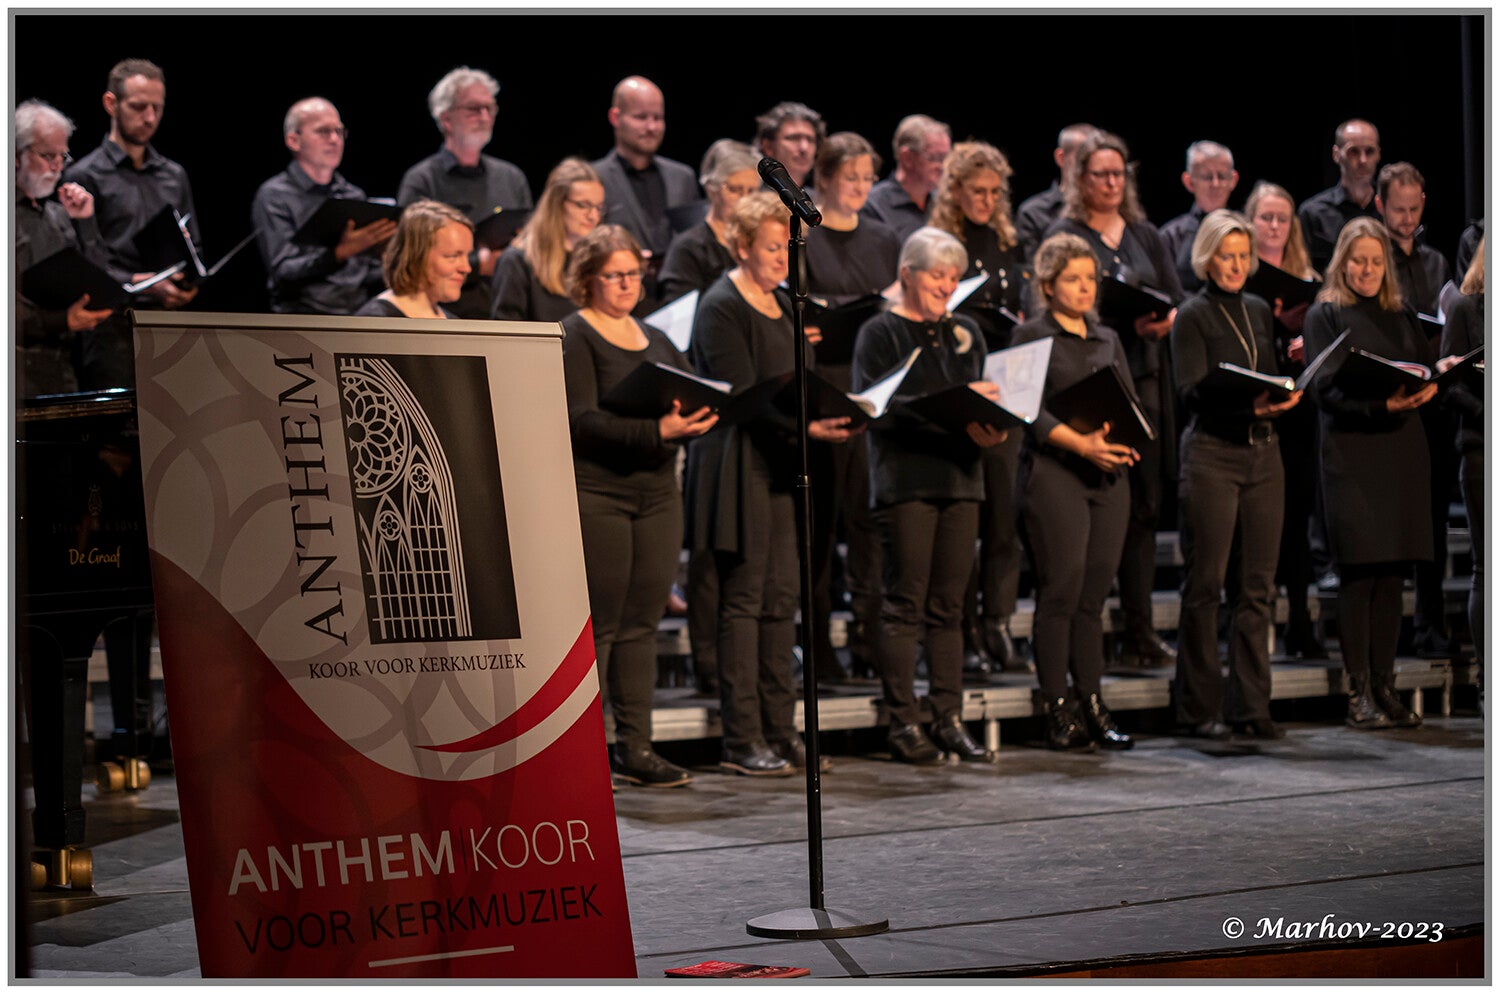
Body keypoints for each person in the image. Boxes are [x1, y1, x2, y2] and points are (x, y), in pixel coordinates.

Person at [683, 191, 859, 776]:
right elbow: (741, 395)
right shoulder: (721, 306)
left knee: (782, 599)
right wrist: (806, 426)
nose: (782, 259)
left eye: (785, 248)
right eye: (769, 249)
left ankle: (782, 731)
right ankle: (743, 738)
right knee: (745, 600)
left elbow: (798, 382)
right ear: (741, 247)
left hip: (783, 460)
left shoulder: (786, 303)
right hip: (739, 461)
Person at [560, 224, 717, 788]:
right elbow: (579, 420)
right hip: (599, 493)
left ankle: (636, 748)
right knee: (601, 626)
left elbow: (689, 390)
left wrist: (696, 416)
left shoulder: (654, 337)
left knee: (642, 626)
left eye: (634, 273)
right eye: (614, 275)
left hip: (657, 495)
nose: (628, 284)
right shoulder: (575, 334)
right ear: (588, 279)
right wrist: (656, 430)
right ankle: (585, 753)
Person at [852, 227, 1007, 764]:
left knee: (950, 607)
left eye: (953, 277)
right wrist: (953, 403)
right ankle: (903, 721)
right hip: (907, 484)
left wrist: (993, 424)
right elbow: (878, 409)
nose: (947, 286)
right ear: (906, 275)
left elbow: (981, 400)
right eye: (937, 276)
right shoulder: (880, 332)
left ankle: (947, 716)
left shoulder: (967, 331)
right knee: (905, 603)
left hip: (961, 480)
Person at [1045, 130, 1184, 669]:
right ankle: (1090, 626)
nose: (1110, 183)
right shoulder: (1066, 233)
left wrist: (1163, 321)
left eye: (1118, 174)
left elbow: (1175, 296)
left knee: (1145, 504)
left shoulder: (1145, 234)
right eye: (1100, 174)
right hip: (1087, 378)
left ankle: (1138, 626)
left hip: (1144, 375)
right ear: (1080, 179)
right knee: (1099, 503)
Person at [1171, 210, 1301, 741]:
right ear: (1207, 258)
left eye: (1244, 257)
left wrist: (1286, 381)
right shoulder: (1192, 315)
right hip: (1213, 456)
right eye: (1227, 256)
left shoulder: (1257, 309)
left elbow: (1263, 374)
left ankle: (1251, 705)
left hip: (1264, 457)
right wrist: (1252, 407)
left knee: (1257, 588)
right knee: (1206, 585)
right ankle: (1198, 708)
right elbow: (1191, 392)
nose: (1236, 265)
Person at [1303, 217, 1435, 729]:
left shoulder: (1400, 311)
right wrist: (1382, 404)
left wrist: (1433, 381)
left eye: (1376, 262)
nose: (1367, 270)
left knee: (1393, 574)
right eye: (1358, 261)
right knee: (1360, 574)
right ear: (1342, 262)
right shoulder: (1325, 314)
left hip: (1402, 450)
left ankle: (1385, 686)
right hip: (1352, 452)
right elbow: (1324, 391)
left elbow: (1423, 364)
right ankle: (1358, 693)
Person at [1011, 232, 1139, 751]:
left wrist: (1129, 439)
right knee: (1061, 589)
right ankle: (1057, 705)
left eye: (1091, 279)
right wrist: (1081, 444)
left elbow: (1126, 398)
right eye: (1073, 279)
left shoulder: (1107, 337)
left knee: (1093, 596)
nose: (1085, 288)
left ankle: (1092, 700)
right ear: (1048, 285)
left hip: (1107, 475)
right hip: (1055, 472)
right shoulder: (1030, 335)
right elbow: (1026, 409)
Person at [927, 141, 1030, 675]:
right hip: (962, 380)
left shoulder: (1009, 241)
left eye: (994, 192)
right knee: (966, 519)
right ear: (955, 191)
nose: (986, 200)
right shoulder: (942, 243)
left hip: (1007, 380)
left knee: (1004, 516)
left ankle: (998, 624)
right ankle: (964, 628)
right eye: (976, 191)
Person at [803, 132, 901, 684]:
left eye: (868, 177)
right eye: (850, 177)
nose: (862, 187)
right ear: (824, 178)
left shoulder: (884, 237)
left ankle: (869, 639)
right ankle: (817, 644)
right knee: (821, 524)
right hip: (823, 383)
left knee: (868, 522)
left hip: (871, 386)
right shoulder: (803, 234)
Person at [63, 58, 197, 389]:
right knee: (119, 421)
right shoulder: (84, 175)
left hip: (169, 324)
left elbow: (193, 245)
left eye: (157, 108)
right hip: (112, 327)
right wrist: (141, 283)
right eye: (138, 107)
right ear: (111, 103)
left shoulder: (173, 174)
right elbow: (80, 261)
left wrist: (187, 283)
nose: (149, 117)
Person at [1375, 162, 1457, 659]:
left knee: (1432, 518)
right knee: (1391, 519)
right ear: (1379, 206)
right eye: (1397, 209)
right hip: (1387, 403)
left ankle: (1430, 621)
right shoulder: (1372, 257)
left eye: (1413, 208)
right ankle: (1391, 629)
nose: (1406, 219)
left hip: (1433, 403)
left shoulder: (1435, 261)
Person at [1243, 181, 1325, 660]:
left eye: (1282, 219)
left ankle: (1298, 618)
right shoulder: (1240, 274)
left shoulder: (1308, 277)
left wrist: (1307, 341)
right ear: (1250, 221)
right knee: (1256, 522)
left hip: (1298, 413)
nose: (1274, 226)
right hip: (1253, 410)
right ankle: (1249, 625)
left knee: (1297, 518)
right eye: (1265, 217)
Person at [396, 66, 534, 319]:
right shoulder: (422, 180)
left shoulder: (511, 177)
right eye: (473, 108)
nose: (484, 116)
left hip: (508, 313)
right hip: (444, 316)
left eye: (489, 108)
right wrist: (479, 264)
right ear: (446, 118)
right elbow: (410, 259)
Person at [251, 97, 394, 315]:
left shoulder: (352, 194)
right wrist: (339, 254)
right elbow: (283, 271)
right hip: (304, 316)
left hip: (359, 313)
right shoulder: (275, 195)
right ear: (293, 140)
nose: (335, 139)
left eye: (339, 131)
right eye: (323, 131)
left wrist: (389, 258)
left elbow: (363, 273)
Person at [15, 99, 113, 397]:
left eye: (63, 156)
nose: (57, 166)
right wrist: (60, 320)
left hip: (63, 370)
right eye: (48, 155)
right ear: (15, 155)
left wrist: (86, 222)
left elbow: (97, 280)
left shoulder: (58, 216)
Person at [591, 76, 701, 262]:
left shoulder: (683, 177)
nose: (651, 127)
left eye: (658, 118)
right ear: (615, 117)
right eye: (640, 117)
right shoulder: (594, 178)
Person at [1438, 238, 1484, 667]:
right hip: (1481, 448)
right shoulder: (1468, 309)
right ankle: (1489, 680)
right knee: (1487, 569)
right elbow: (1449, 385)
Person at [489, 157, 603, 322]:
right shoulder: (517, 261)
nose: (593, 216)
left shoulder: (595, 262)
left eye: (598, 208)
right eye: (583, 205)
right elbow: (507, 329)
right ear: (556, 204)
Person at [657, 139, 759, 303]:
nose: (744, 200)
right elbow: (682, 310)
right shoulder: (689, 249)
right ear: (711, 188)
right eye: (735, 190)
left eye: (752, 191)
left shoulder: (761, 242)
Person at [354, 200, 473, 318]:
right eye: (453, 256)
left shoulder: (452, 322)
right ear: (415, 256)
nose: (466, 268)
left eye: (467, 255)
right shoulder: (376, 321)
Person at [1298, 119, 1382, 273]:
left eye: (1369, 151)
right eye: (1353, 151)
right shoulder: (1313, 213)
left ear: (1378, 154)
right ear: (1336, 154)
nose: (1363, 160)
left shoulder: (1389, 209)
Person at [1160, 140, 1240, 292]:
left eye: (1222, 176)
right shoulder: (1170, 236)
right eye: (1207, 177)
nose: (1215, 184)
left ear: (1233, 180)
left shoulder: (1245, 232)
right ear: (1189, 182)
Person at [861, 114, 952, 244]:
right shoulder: (873, 206)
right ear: (907, 158)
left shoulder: (944, 202)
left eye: (947, 157)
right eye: (936, 157)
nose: (943, 166)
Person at [1014, 123, 1097, 261]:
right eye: (1083, 158)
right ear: (1061, 157)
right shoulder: (1034, 213)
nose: (1091, 167)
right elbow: (1032, 270)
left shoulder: (1112, 210)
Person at [753, 101, 824, 188]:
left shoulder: (817, 196)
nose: (804, 147)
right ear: (768, 147)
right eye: (793, 138)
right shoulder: (749, 192)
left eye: (810, 140)